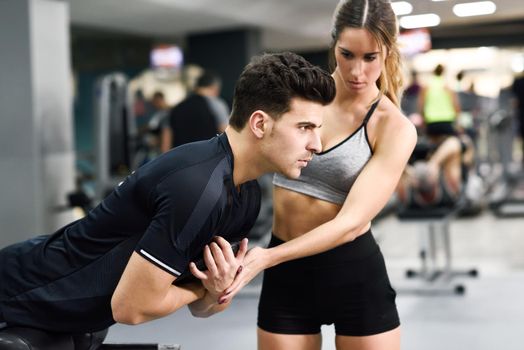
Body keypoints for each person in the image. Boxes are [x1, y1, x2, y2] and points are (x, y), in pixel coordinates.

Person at [0, 52, 336, 349]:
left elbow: (208, 307)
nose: (317, 144)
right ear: (260, 123)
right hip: (16, 293)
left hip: (66, 315)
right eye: (305, 127)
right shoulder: (196, 187)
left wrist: (213, 290)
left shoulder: (245, 196)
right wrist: (202, 291)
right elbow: (131, 307)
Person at [215, 1, 417, 349]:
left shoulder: (393, 126)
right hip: (287, 279)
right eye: (347, 54)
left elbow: (352, 222)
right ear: (333, 43)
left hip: (352, 273)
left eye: (371, 57)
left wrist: (266, 258)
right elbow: (240, 146)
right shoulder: (298, 97)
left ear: (388, 53)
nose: (357, 71)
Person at [161, 69, 230, 152]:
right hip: (208, 159)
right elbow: (226, 135)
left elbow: (165, 144)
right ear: (215, 88)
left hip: (182, 160)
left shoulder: (176, 108)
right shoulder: (217, 105)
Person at [419, 64, 461, 137]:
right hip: (447, 120)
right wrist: (457, 118)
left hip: (431, 121)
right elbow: (455, 104)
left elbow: (421, 104)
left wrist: (423, 118)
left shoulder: (427, 86)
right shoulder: (447, 86)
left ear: (433, 72)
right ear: (443, 72)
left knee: (433, 145)